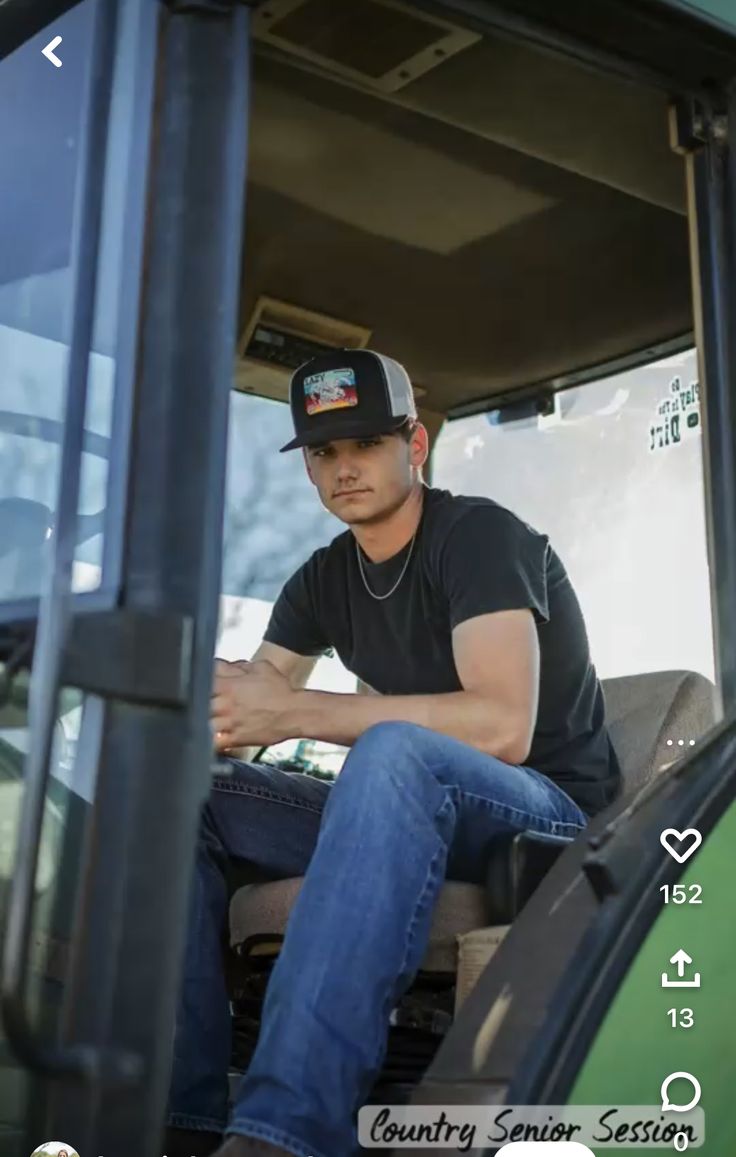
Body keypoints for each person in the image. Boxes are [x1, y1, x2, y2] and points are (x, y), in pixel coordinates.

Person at [164, 349, 622, 1157]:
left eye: (366, 444)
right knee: (188, 789)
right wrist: (203, 705)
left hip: (545, 813)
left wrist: (296, 708)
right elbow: (256, 697)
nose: (345, 468)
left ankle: (284, 1134)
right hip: (412, 802)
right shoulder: (321, 580)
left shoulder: (480, 536)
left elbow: (503, 725)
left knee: (393, 752)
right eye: (324, 452)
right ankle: (183, 1115)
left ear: (413, 445)